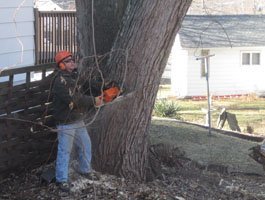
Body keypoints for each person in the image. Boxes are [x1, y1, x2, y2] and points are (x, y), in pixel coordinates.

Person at [52, 50, 102, 192]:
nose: (72, 62)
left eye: (72, 60)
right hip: (66, 122)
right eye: (68, 61)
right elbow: (75, 99)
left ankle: (85, 169)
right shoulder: (60, 81)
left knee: (86, 144)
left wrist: (105, 86)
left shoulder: (74, 76)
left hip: (77, 119)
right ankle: (61, 179)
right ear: (61, 65)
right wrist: (96, 101)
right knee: (65, 150)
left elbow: (89, 83)